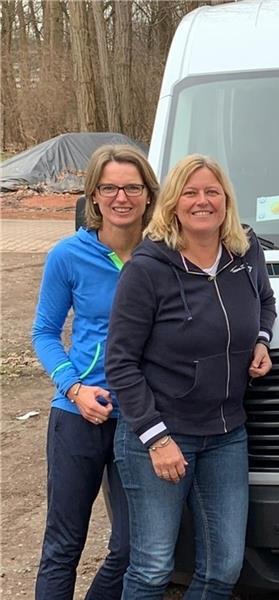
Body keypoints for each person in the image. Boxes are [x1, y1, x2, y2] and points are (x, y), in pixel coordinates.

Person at [105, 154, 277, 599]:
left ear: (226, 200)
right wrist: (156, 439)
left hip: (226, 434)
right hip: (161, 435)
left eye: (212, 192)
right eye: (191, 192)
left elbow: (265, 302)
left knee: (224, 567)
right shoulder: (147, 268)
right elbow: (120, 362)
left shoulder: (244, 251)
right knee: (151, 567)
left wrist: (260, 340)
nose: (203, 201)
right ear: (173, 203)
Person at [32, 144, 159, 599]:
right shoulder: (68, 256)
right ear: (92, 196)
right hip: (78, 414)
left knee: (129, 549)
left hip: (141, 420)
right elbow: (44, 332)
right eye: (108, 188)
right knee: (63, 545)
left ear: (149, 194)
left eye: (131, 187)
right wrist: (74, 387)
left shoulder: (164, 256)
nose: (120, 197)